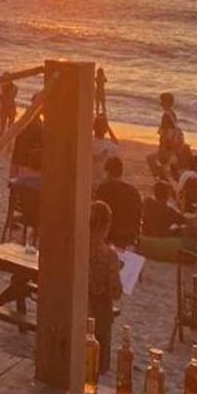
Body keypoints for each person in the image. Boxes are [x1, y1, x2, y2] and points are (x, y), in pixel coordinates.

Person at [87, 200, 122, 372]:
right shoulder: (109, 256)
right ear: (106, 227)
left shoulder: (78, 246)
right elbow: (115, 292)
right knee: (96, 364)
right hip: (100, 311)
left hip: (80, 304)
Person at [94, 156, 141, 249]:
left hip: (109, 239)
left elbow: (97, 216)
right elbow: (137, 218)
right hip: (129, 240)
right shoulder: (134, 191)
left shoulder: (103, 189)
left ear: (107, 172)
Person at [148, 93, 182, 180]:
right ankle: (164, 177)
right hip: (172, 145)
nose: (161, 103)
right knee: (168, 164)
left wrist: (162, 147)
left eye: (163, 101)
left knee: (152, 159)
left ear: (168, 103)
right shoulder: (173, 114)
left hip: (167, 145)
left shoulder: (166, 116)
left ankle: (160, 177)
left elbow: (166, 133)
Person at [90, 115, 118, 190]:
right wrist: (108, 128)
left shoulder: (88, 143)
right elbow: (116, 142)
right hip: (103, 183)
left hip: (90, 181)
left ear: (94, 127)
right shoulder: (110, 146)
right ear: (106, 130)